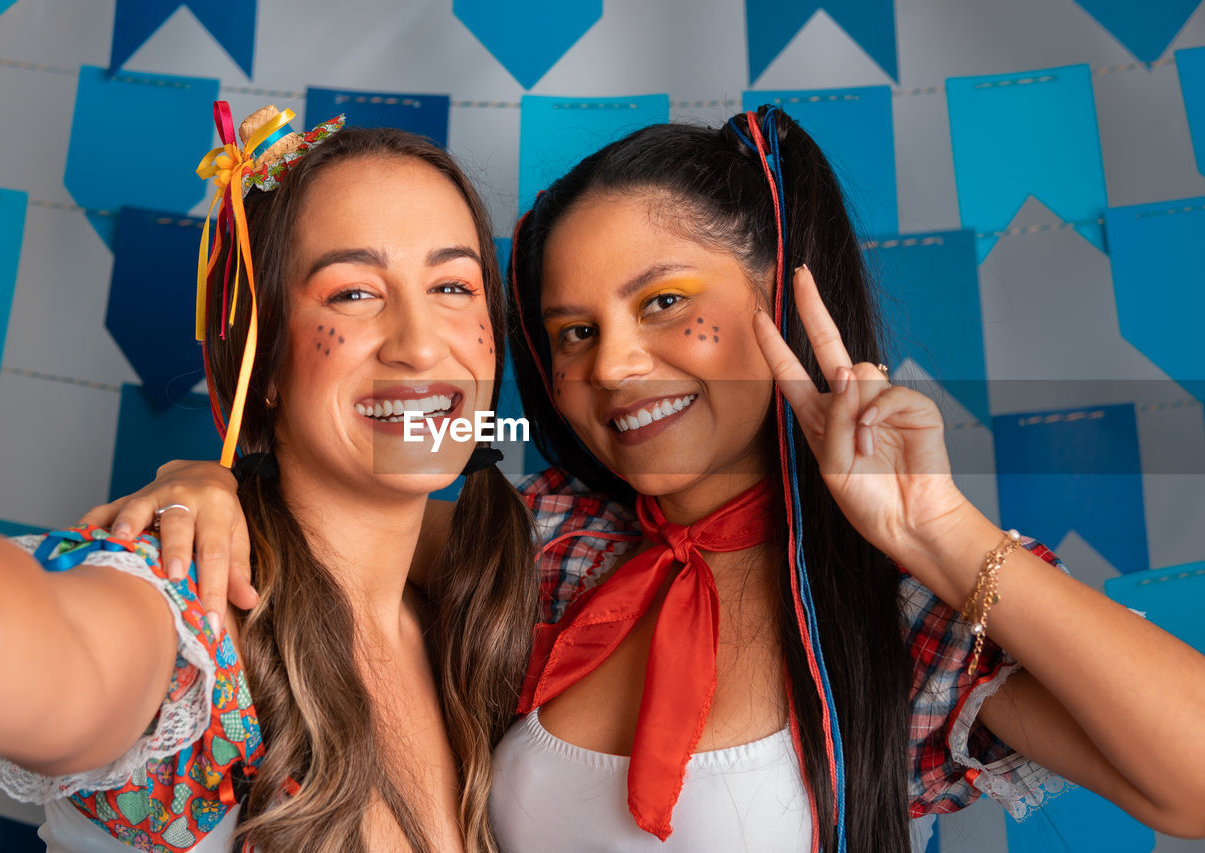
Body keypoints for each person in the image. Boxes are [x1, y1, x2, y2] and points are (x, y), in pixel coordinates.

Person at [86, 107, 1205, 852]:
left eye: (663, 302)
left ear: (777, 296)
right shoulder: (540, 544)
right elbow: (328, 503)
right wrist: (207, 478)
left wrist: (941, 534)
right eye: (569, 332)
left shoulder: (883, 610)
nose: (612, 367)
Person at [0, 104, 537, 853]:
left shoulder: (479, 616)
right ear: (265, 357)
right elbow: (68, 660)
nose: (419, 345)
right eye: (353, 293)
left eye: (452, 287)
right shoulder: (198, 608)